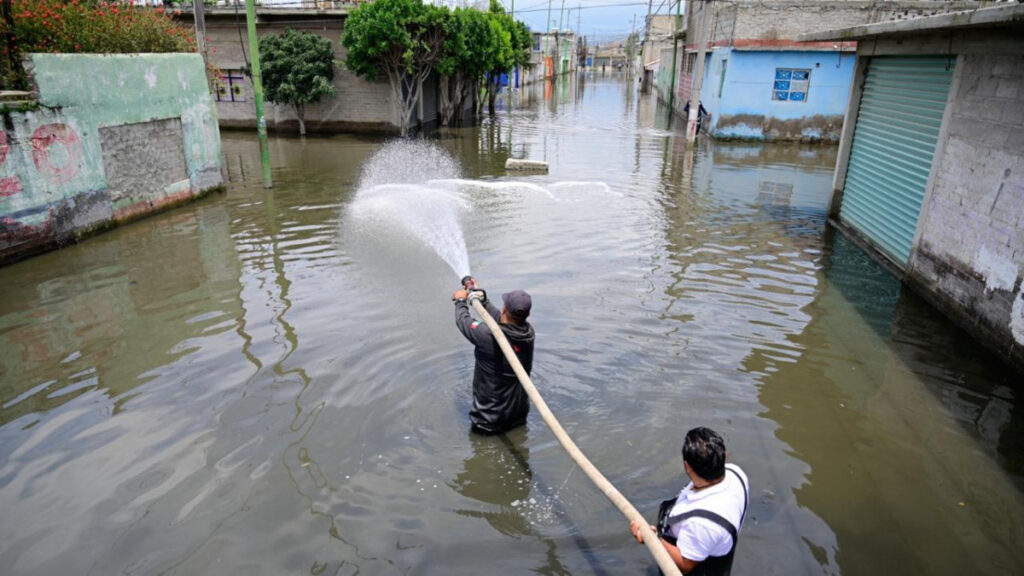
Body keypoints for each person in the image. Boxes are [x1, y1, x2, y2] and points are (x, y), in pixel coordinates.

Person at [630, 427, 748, 575]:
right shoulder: (736, 473)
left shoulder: (703, 524)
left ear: (687, 467)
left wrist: (652, 539)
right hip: (710, 547)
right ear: (724, 456)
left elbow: (684, 565)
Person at [452, 277, 535, 434]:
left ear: (504, 309)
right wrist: (484, 300)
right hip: (518, 417)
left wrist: (460, 301)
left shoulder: (486, 336)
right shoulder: (528, 333)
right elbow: (502, 321)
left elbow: (463, 321)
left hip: (487, 423)